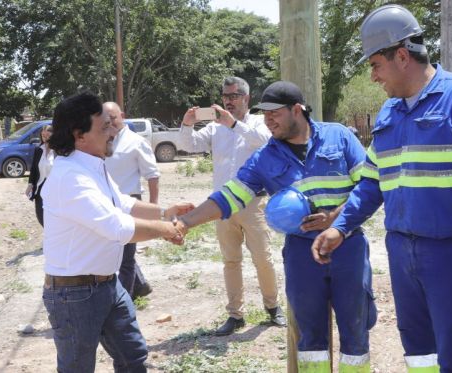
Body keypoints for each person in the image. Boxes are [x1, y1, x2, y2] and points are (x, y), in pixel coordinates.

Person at [311, 5, 452, 373]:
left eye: (375, 65)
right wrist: (339, 226)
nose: (374, 76)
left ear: (402, 56)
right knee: (419, 349)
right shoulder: (391, 113)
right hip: (402, 250)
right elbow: (372, 182)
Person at [172, 81, 377, 372]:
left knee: (356, 333)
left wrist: (337, 219)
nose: (268, 120)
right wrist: (185, 221)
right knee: (309, 337)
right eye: (264, 115)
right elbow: (229, 197)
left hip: (348, 246)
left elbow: (369, 185)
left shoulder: (339, 136)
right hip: (302, 252)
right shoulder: (264, 159)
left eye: (274, 114)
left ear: (297, 110)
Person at [41, 92, 192, 372]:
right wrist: (166, 230)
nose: (113, 132)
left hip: (107, 285)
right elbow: (117, 226)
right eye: (104, 127)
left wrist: (164, 211)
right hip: (74, 294)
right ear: (79, 135)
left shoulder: (93, 165)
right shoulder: (70, 177)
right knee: (78, 368)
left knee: (132, 356)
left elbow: (123, 202)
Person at [177, 76, 286, 336]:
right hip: (222, 205)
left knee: (262, 258)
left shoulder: (259, 122)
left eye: (234, 96)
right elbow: (187, 145)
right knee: (231, 261)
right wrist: (186, 124)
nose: (228, 100)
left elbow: (265, 142)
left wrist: (234, 124)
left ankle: (272, 307)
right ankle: (235, 314)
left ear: (246, 99)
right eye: (226, 96)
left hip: (253, 203)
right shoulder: (215, 129)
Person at [104, 101, 160, 298]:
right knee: (113, 249)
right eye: (105, 118)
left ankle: (125, 302)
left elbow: (152, 175)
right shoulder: (99, 141)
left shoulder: (135, 142)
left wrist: (153, 208)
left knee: (125, 257)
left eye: (113, 118)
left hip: (130, 202)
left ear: (123, 116)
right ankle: (141, 285)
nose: (109, 122)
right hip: (105, 202)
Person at [25, 124, 55, 226]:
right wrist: (30, 184)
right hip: (40, 187)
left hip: (54, 189)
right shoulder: (38, 150)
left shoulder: (59, 152)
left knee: (53, 216)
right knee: (40, 215)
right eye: (43, 136)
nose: (45, 138)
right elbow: (34, 169)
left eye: (47, 135)